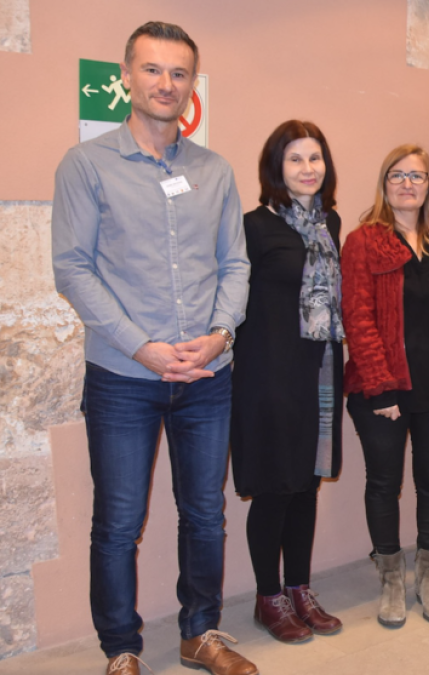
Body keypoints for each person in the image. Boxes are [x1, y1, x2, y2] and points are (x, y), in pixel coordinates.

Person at [51, 22, 256, 675]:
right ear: (127, 77)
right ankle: (121, 647)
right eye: (153, 70)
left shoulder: (215, 170)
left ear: (192, 84)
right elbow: (73, 269)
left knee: (204, 512)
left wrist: (221, 334)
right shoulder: (87, 165)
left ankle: (201, 632)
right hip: (122, 377)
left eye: (179, 73)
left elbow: (236, 264)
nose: (166, 83)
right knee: (118, 519)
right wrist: (142, 347)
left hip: (208, 374)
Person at [342, 145, 429, 625]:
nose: (408, 184)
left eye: (418, 176)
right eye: (398, 175)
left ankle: (427, 578)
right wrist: (380, 388)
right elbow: (357, 317)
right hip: (382, 389)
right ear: (384, 184)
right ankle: (389, 579)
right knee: (383, 483)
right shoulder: (364, 241)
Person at [232, 120, 345, 644]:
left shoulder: (330, 224)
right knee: (276, 487)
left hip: (320, 369)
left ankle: (300, 588)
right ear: (276, 167)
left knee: (306, 485)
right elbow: (236, 302)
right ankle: (268, 596)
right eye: (296, 159)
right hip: (270, 373)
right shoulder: (254, 225)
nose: (307, 169)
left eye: (315, 158)